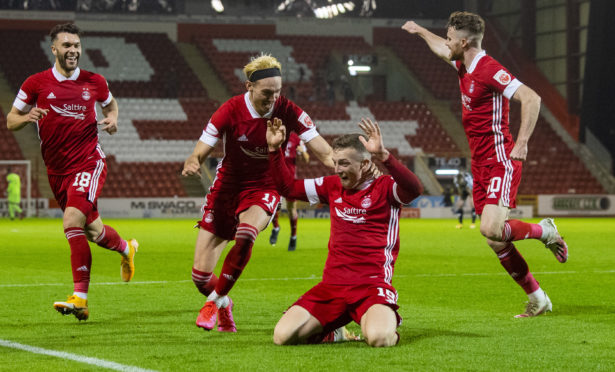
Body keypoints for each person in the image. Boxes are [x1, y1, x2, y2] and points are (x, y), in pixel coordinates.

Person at [403, 11, 568, 317]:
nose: (447, 42)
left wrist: (521, 143)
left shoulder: (487, 68)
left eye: (451, 37)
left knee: (491, 227)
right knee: (495, 240)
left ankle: (544, 230)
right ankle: (538, 298)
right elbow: (442, 49)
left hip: (500, 158)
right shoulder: (463, 62)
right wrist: (420, 31)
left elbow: (531, 98)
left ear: (464, 42)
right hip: (479, 163)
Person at [182, 53, 336, 333]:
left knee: (246, 234)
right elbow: (203, 145)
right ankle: (224, 303)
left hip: (265, 186)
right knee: (200, 277)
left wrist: (348, 166)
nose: (274, 98)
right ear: (248, 87)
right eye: (267, 93)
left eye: (278, 92)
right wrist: (194, 160)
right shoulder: (229, 110)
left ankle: (213, 303)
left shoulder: (289, 110)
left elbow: (323, 150)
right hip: (227, 187)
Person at [6, 23, 138, 321]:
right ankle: (126, 248)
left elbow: (111, 104)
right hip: (56, 171)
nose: (73, 51)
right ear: (53, 49)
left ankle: (80, 298)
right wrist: (28, 117)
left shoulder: (95, 81)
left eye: (76, 45)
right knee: (94, 231)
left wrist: (113, 118)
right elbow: (11, 121)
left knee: (70, 221)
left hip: (88, 162)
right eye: (66, 45)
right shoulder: (35, 83)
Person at [268, 117, 423, 347]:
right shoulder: (331, 185)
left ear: (364, 163)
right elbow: (287, 188)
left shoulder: (386, 188)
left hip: (371, 287)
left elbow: (415, 189)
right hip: (331, 288)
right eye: (336, 163)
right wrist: (274, 150)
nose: (338, 170)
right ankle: (333, 331)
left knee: (379, 338)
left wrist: (385, 157)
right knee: (282, 336)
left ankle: (381, 323)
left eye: (344, 164)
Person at [269, 131, 310, 251]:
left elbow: (306, 159)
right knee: (273, 206)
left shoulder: (296, 138)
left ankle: (293, 236)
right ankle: (276, 227)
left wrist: (302, 152)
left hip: (290, 179)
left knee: (292, 208)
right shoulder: (273, 133)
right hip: (274, 177)